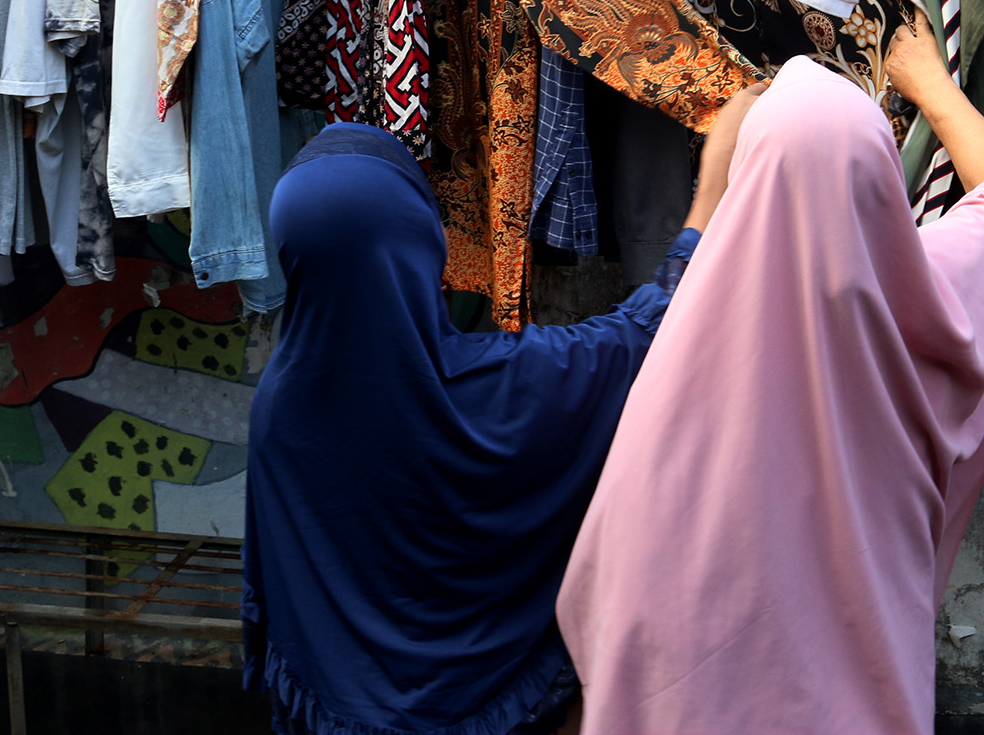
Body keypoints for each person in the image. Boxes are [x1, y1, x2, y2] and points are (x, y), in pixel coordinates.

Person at [556, 11, 984, 735]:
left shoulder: (670, 399)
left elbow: (606, 609)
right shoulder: (933, 312)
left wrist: (708, 195)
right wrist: (931, 86)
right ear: (878, 177)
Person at [241, 83, 766, 735]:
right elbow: (650, 333)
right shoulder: (511, 387)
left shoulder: (280, 413)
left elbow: (280, 606)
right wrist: (711, 187)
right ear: (419, 244)